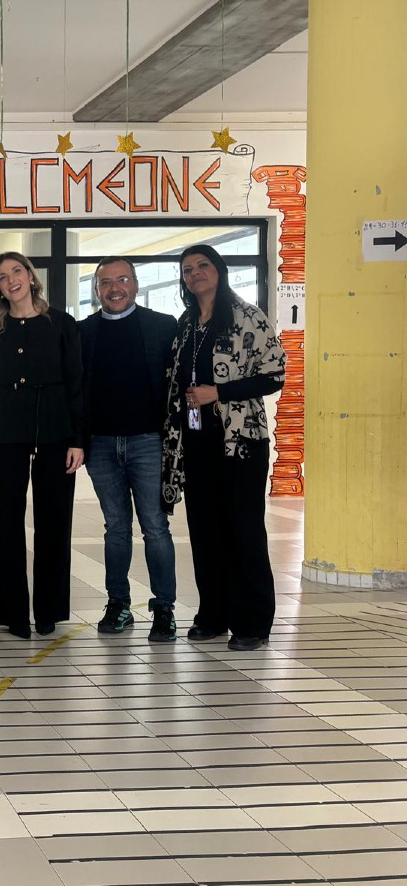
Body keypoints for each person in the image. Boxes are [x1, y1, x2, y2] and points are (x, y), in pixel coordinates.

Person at [161, 244, 286, 651]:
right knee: (205, 532)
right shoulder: (187, 323)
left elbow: (275, 374)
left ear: (219, 269)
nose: (195, 273)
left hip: (240, 443)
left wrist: (219, 392)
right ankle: (213, 616)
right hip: (195, 444)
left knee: (243, 531)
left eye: (203, 265)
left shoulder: (247, 316)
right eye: (187, 269)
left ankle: (252, 623)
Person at [0, 251, 83, 640]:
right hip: (5, 433)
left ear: (30, 275)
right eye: (2, 276)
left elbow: (77, 382)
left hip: (55, 432)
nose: (11, 280)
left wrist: (78, 439)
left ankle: (48, 609)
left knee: (54, 522)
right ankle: (12, 613)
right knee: (6, 522)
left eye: (17, 271)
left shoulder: (62, 323)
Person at [80, 257, 180, 641]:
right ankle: (118, 604)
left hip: (149, 442)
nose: (114, 288)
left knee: (155, 527)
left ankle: (164, 609)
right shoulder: (83, 332)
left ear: (136, 284)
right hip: (101, 445)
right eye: (105, 282)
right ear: (96, 290)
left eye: (122, 279)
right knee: (116, 528)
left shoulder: (163, 326)